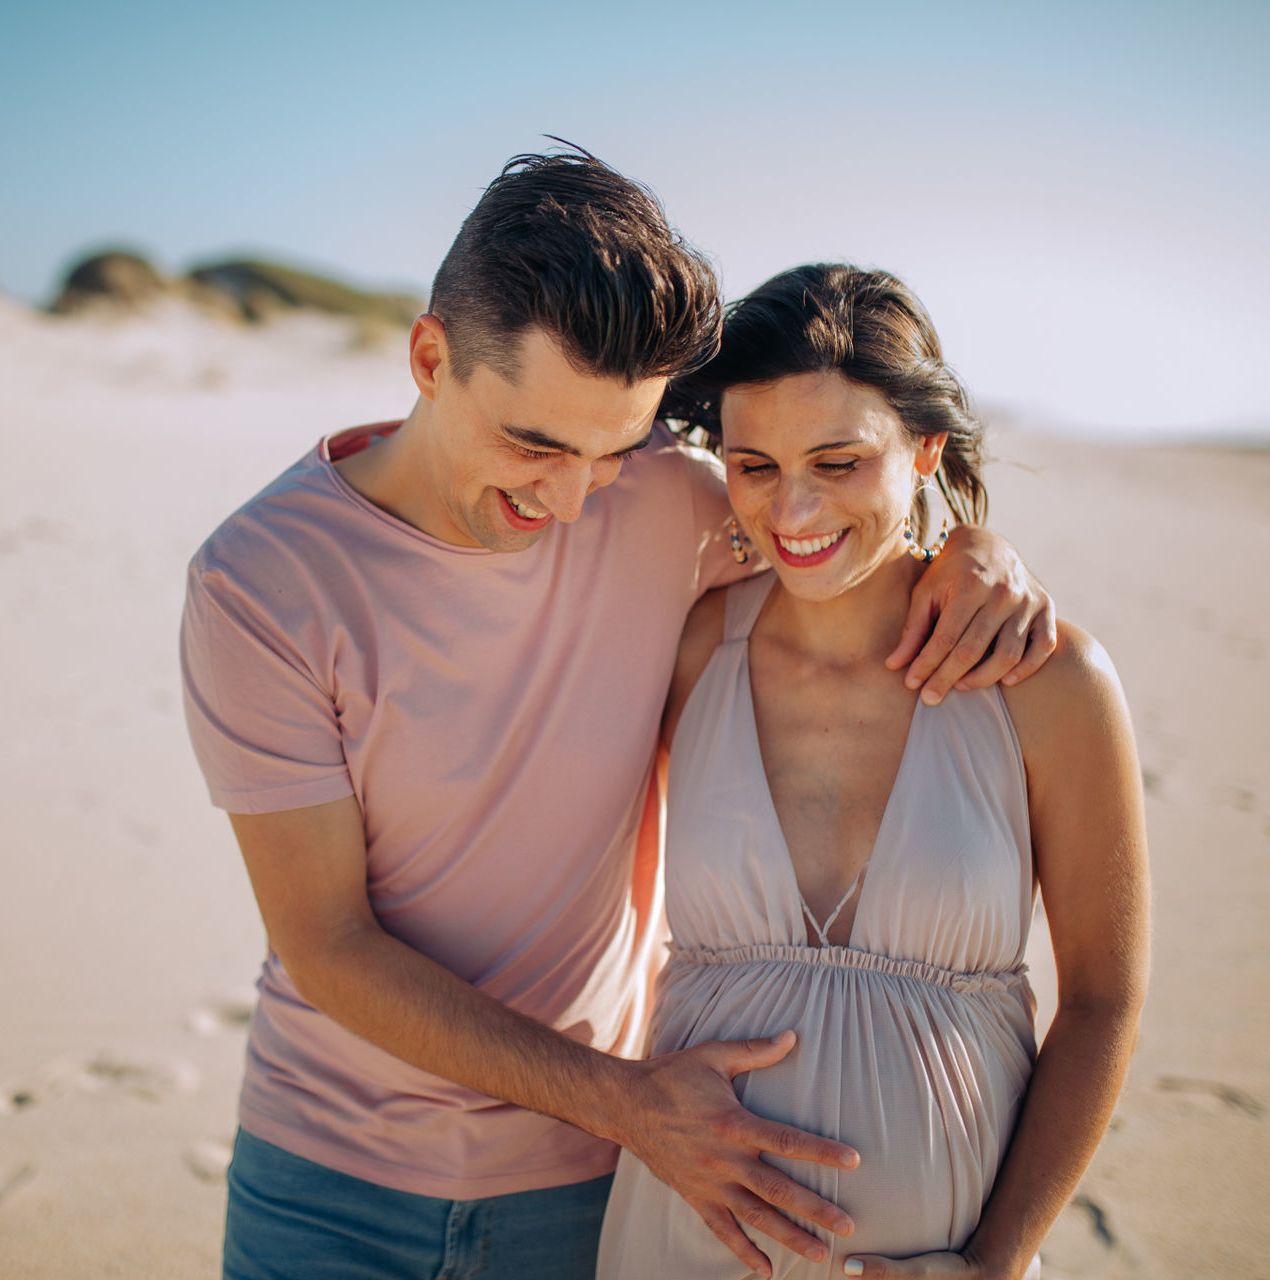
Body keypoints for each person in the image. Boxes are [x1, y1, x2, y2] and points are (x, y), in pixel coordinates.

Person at [180, 152, 1058, 1280]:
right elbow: (329, 942)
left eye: (610, 448)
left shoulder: (669, 500)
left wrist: (980, 550)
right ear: (430, 358)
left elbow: (842, 520)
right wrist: (632, 1102)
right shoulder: (262, 581)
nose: (568, 498)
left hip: (588, 1192)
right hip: (328, 1183)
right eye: (535, 443)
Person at [595, 265, 1150, 1280]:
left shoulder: (1051, 679)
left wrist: (997, 1259)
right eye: (754, 464)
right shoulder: (686, 651)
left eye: (839, 460)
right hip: (678, 1241)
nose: (792, 507)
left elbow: (1105, 999)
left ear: (925, 446)